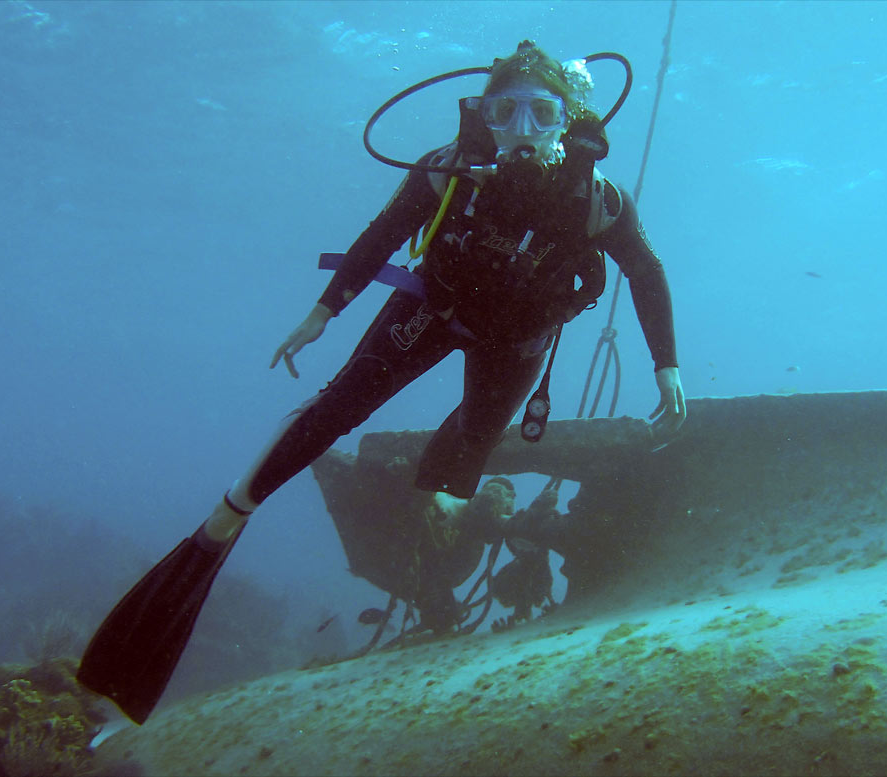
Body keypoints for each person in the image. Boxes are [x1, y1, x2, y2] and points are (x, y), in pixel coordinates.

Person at [77, 40, 685, 725]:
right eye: (503, 111)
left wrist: (666, 362)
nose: (520, 131)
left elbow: (644, 271)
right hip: (433, 308)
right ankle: (230, 513)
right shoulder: (447, 171)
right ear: (482, 114)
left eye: (540, 115)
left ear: (567, 122)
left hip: (515, 345)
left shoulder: (597, 200)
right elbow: (384, 235)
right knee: (338, 405)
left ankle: (445, 497)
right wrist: (322, 311)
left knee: (472, 440)